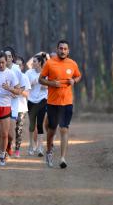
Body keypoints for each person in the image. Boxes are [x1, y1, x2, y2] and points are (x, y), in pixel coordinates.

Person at [39, 40, 81, 168]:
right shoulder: (50, 63)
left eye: (65, 49)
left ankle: (62, 158)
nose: (63, 51)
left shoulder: (72, 63)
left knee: (64, 129)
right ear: (57, 49)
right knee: (51, 130)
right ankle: (49, 151)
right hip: (53, 103)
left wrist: (74, 80)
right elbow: (40, 79)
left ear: (68, 51)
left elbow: (78, 76)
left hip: (67, 102)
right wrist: (52, 84)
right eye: (61, 48)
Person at [26, 54, 48, 157]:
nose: (32, 63)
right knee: (32, 125)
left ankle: (40, 147)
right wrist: (33, 82)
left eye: (34, 61)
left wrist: (45, 85)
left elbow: (49, 84)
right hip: (31, 100)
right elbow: (25, 85)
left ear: (39, 63)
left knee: (40, 124)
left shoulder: (46, 72)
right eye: (32, 61)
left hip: (42, 100)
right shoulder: (29, 72)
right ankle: (31, 145)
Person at [3, 47, 23, 157]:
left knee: (10, 134)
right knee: (4, 132)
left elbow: (21, 87)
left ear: (12, 58)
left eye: (10, 56)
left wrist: (15, 93)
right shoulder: (0, 68)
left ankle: (9, 144)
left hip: (14, 104)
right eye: (6, 56)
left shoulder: (16, 70)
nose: (8, 58)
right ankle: (4, 151)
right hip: (1, 103)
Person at [14, 56, 31, 157]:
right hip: (10, 106)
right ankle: (7, 147)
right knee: (9, 129)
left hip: (21, 108)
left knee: (18, 129)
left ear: (23, 66)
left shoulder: (24, 77)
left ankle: (17, 150)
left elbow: (27, 94)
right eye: (16, 64)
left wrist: (18, 90)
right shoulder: (9, 75)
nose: (18, 66)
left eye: (20, 65)